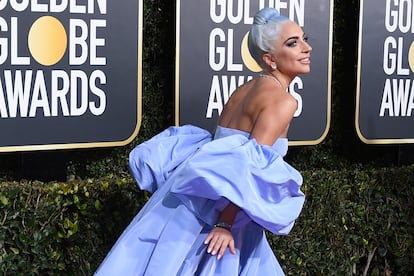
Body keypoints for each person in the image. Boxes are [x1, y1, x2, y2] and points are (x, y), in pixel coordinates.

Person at [95, 7, 312, 275]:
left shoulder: (244, 89)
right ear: (270, 59)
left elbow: (228, 152)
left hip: (194, 205)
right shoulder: (283, 101)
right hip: (220, 215)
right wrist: (226, 225)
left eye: (304, 38)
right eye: (293, 43)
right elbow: (249, 167)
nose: (306, 48)